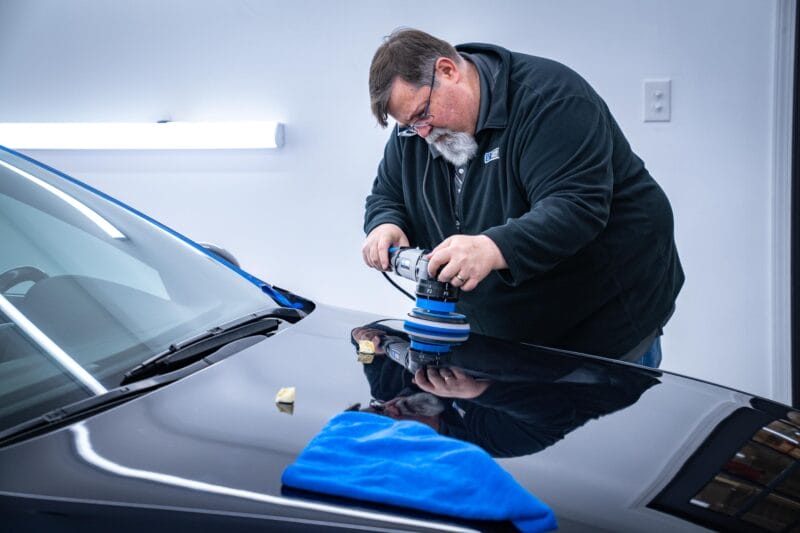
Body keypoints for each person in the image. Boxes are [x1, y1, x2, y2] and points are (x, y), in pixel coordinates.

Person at [362, 28, 684, 367]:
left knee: (610, 420)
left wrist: (490, 247)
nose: (422, 134)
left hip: (603, 324)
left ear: (447, 71)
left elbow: (575, 206)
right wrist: (385, 224)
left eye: (423, 114)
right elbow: (387, 193)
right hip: (506, 338)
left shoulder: (551, 100)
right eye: (410, 125)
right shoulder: (417, 130)